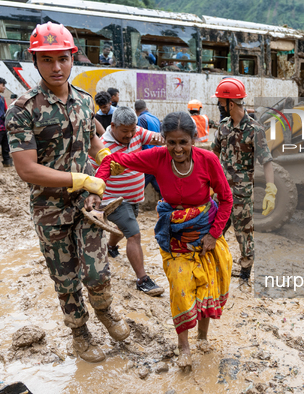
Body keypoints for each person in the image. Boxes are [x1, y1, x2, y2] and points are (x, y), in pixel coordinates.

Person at [5, 22, 130, 363]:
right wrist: (79, 179)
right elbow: (26, 169)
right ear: (35, 60)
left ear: (73, 58)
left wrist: (102, 155)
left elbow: (91, 136)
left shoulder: (84, 101)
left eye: (63, 58)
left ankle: (106, 312)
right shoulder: (21, 110)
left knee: (96, 269)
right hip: (49, 209)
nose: (56, 67)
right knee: (65, 277)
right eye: (47, 60)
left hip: (88, 203)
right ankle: (80, 333)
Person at [96, 111, 233, 370]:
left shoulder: (208, 160)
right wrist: (96, 186)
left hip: (206, 234)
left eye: (183, 142)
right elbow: (115, 160)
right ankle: (184, 346)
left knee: (207, 287)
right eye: (171, 142)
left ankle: (202, 336)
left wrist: (214, 235)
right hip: (175, 237)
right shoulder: (157, 157)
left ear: (193, 140)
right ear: (164, 141)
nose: (177, 149)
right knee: (181, 288)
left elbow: (226, 198)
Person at [91, 106, 164, 296]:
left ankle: (111, 246)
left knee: (124, 230)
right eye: (125, 131)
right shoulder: (102, 146)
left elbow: (156, 138)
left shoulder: (137, 132)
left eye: (133, 129)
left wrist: (170, 139)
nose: (131, 135)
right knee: (134, 234)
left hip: (134, 197)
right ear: (113, 126)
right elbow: (94, 175)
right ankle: (142, 280)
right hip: (114, 200)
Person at [211, 78, 277, 291]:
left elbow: (266, 161)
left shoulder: (254, 130)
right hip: (220, 194)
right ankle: (216, 268)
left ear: (231, 103)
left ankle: (245, 276)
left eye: (221, 102)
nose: (220, 106)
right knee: (214, 230)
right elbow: (213, 155)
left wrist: (270, 190)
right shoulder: (223, 127)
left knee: (244, 234)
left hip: (241, 194)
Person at [135, 100, 162, 195]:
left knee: (141, 182)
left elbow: (139, 138)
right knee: (156, 181)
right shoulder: (155, 118)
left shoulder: (141, 119)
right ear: (146, 108)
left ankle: (134, 199)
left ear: (135, 110)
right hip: (157, 154)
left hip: (148, 156)